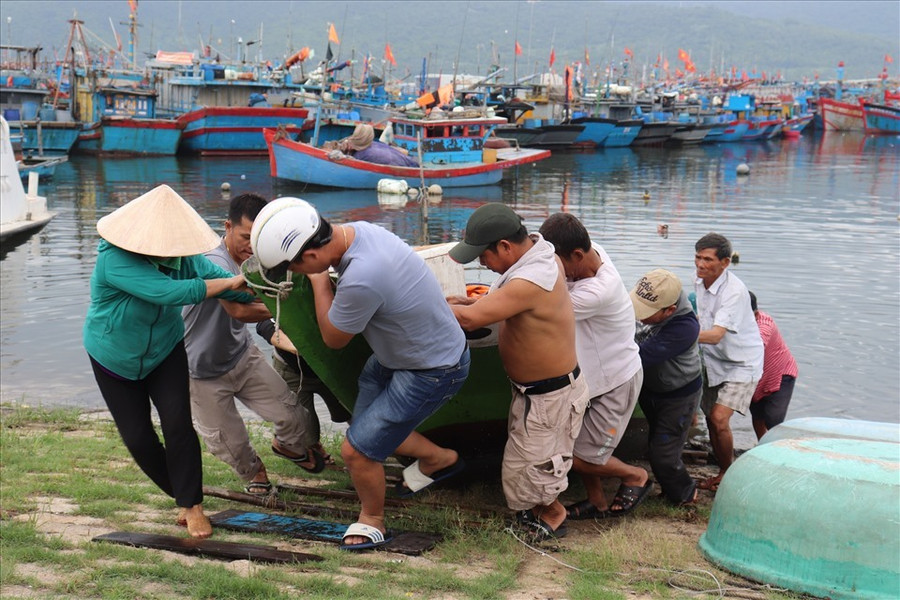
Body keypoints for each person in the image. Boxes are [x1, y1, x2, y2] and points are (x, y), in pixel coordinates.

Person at [250, 197, 470, 551]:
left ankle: (373, 520)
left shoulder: (363, 275)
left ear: (309, 257)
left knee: (357, 451)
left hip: (431, 368)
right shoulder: (361, 232)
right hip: (395, 356)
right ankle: (440, 459)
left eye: (295, 267)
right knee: (365, 431)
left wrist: (320, 281)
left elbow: (334, 339)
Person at [83, 184, 253, 539]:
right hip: (113, 357)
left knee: (178, 424)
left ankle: (192, 506)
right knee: (139, 437)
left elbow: (214, 277)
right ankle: (181, 493)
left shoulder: (181, 256)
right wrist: (233, 281)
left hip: (165, 349)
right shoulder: (113, 259)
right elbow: (172, 291)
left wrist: (255, 288)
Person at [448, 203, 589, 541]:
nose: (482, 263)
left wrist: (426, 304)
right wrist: (465, 301)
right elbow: (501, 302)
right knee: (525, 460)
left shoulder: (531, 279)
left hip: (550, 396)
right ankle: (537, 508)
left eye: (483, 255)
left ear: (505, 247)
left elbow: (472, 320)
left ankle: (554, 514)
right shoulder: (540, 256)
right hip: (536, 392)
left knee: (534, 465)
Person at [182, 193, 326, 498]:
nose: (251, 244)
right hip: (201, 369)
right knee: (227, 442)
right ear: (227, 227)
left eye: (257, 237)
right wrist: (293, 308)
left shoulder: (261, 257)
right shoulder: (212, 260)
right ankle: (254, 471)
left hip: (242, 356)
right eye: (246, 236)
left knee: (293, 416)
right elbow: (239, 310)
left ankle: (286, 447)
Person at [538, 213, 648, 520]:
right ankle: (596, 501)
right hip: (587, 377)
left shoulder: (598, 291)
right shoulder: (590, 250)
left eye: (557, 263)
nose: (553, 270)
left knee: (580, 456)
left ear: (576, 255)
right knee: (575, 441)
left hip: (614, 380)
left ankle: (634, 475)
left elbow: (537, 306)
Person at [694, 233, 763, 492]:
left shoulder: (734, 291)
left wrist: (679, 335)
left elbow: (715, 334)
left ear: (724, 262)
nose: (700, 264)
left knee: (720, 418)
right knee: (711, 419)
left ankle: (727, 472)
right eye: (698, 257)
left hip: (742, 363)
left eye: (707, 259)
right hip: (714, 359)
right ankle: (724, 469)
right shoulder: (700, 282)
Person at [630, 269, 702, 506]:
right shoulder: (655, 293)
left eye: (647, 314)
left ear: (669, 310)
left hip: (678, 394)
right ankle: (669, 488)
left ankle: (686, 494)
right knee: (658, 444)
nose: (640, 317)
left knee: (663, 453)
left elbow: (639, 356)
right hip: (652, 388)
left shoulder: (684, 327)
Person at [255, 317, 352, 461]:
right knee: (303, 435)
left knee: (354, 413)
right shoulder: (279, 298)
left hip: (331, 369)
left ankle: (369, 448)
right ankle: (309, 446)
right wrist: (297, 347)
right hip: (292, 370)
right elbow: (264, 325)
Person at [748, 291, 798, 440]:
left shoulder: (764, 324)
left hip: (780, 374)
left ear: (755, 315)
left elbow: (757, 346)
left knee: (773, 420)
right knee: (757, 414)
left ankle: (777, 446)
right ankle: (762, 446)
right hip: (757, 377)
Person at [337, 123, 420, 167]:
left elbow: (353, 160)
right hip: (413, 160)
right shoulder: (370, 144)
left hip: (412, 165)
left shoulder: (365, 154)